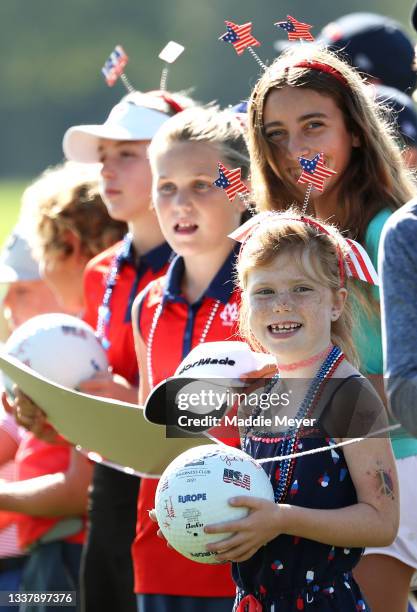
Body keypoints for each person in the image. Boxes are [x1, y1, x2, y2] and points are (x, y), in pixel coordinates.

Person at [245, 44, 417, 612]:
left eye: (313, 125)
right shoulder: (277, 243)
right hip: (313, 464)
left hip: (395, 468)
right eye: (275, 134)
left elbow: (397, 383)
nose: (295, 149)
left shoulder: (392, 232)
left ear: (358, 131)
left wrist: (305, 386)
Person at [200, 211, 399, 611]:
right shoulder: (255, 390)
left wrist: (283, 519)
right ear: (244, 301)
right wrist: (192, 506)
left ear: (337, 303)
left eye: (302, 288)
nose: (282, 305)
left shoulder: (349, 395)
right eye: (265, 292)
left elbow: (382, 523)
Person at [62, 90, 193, 612]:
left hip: (184, 490)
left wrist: (131, 398)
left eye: (126, 154)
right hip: (111, 487)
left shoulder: (205, 265)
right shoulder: (100, 273)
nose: (107, 172)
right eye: (103, 158)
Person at [132, 105, 250, 611]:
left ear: (242, 187)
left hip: (242, 542)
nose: (180, 203)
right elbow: (146, 426)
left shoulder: (269, 295)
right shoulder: (147, 303)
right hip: (159, 544)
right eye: (166, 187)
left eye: (202, 184)